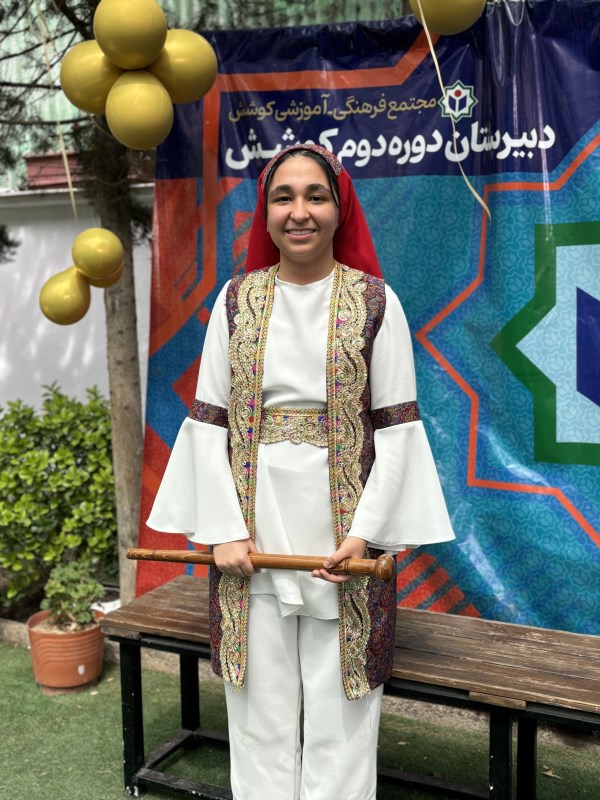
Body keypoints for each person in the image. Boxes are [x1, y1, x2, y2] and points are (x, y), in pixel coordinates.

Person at [147, 142, 455, 800]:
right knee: (257, 718)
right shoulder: (236, 302)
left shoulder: (376, 303)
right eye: (283, 197)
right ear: (265, 212)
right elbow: (209, 422)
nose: (299, 212)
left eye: (315, 196)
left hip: (344, 543)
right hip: (252, 540)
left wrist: (365, 537)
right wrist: (224, 532)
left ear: (340, 209)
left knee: (343, 721)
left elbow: (397, 430)